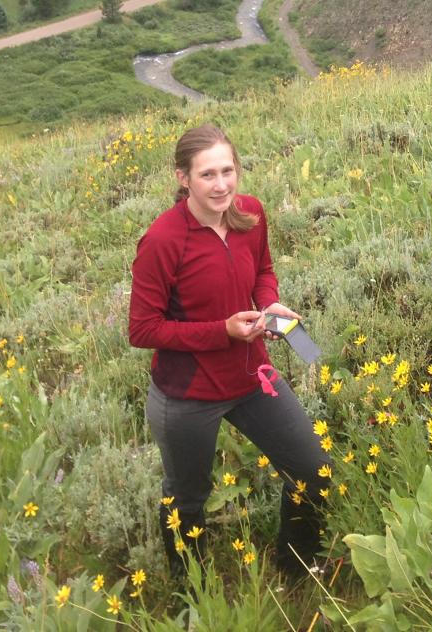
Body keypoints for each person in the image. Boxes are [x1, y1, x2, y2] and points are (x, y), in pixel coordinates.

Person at [128, 124, 329, 579]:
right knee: (187, 500)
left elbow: (263, 270)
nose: (221, 185)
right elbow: (142, 329)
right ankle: (192, 592)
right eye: (207, 175)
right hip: (186, 396)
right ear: (183, 179)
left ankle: (297, 568)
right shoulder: (162, 240)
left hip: (251, 376)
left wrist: (269, 301)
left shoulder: (249, 212)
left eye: (228, 170)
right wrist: (222, 331)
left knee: (314, 471)